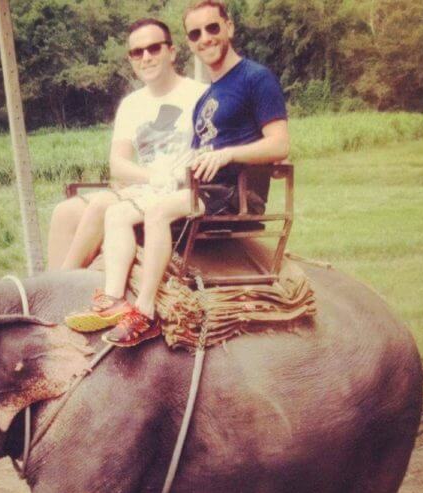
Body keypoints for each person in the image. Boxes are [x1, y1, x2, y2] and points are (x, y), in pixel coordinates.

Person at [68, 0, 290, 347]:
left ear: (229, 27)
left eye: (213, 28)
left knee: (156, 212)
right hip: (202, 188)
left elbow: (279, 144)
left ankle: (145, 312)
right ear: (189, 43)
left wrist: (229, 154)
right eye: (196, 33)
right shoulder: (209, 96)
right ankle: (113, 300)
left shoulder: (255, 78)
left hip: (232, 191)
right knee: (116, 212)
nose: (206, 38)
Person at [46, 18, 206, 271]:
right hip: (146, 187)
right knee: (63, 212)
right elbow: (117, 164)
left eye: (154, 48)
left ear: (172, 52)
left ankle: (62, 283)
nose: (146, 57)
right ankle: (51, 285)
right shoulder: (131, 104)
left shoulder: (199, 95)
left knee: (100, 206)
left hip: (179, 190)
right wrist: (150, 177)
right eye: (136, 52)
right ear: (131, 59)